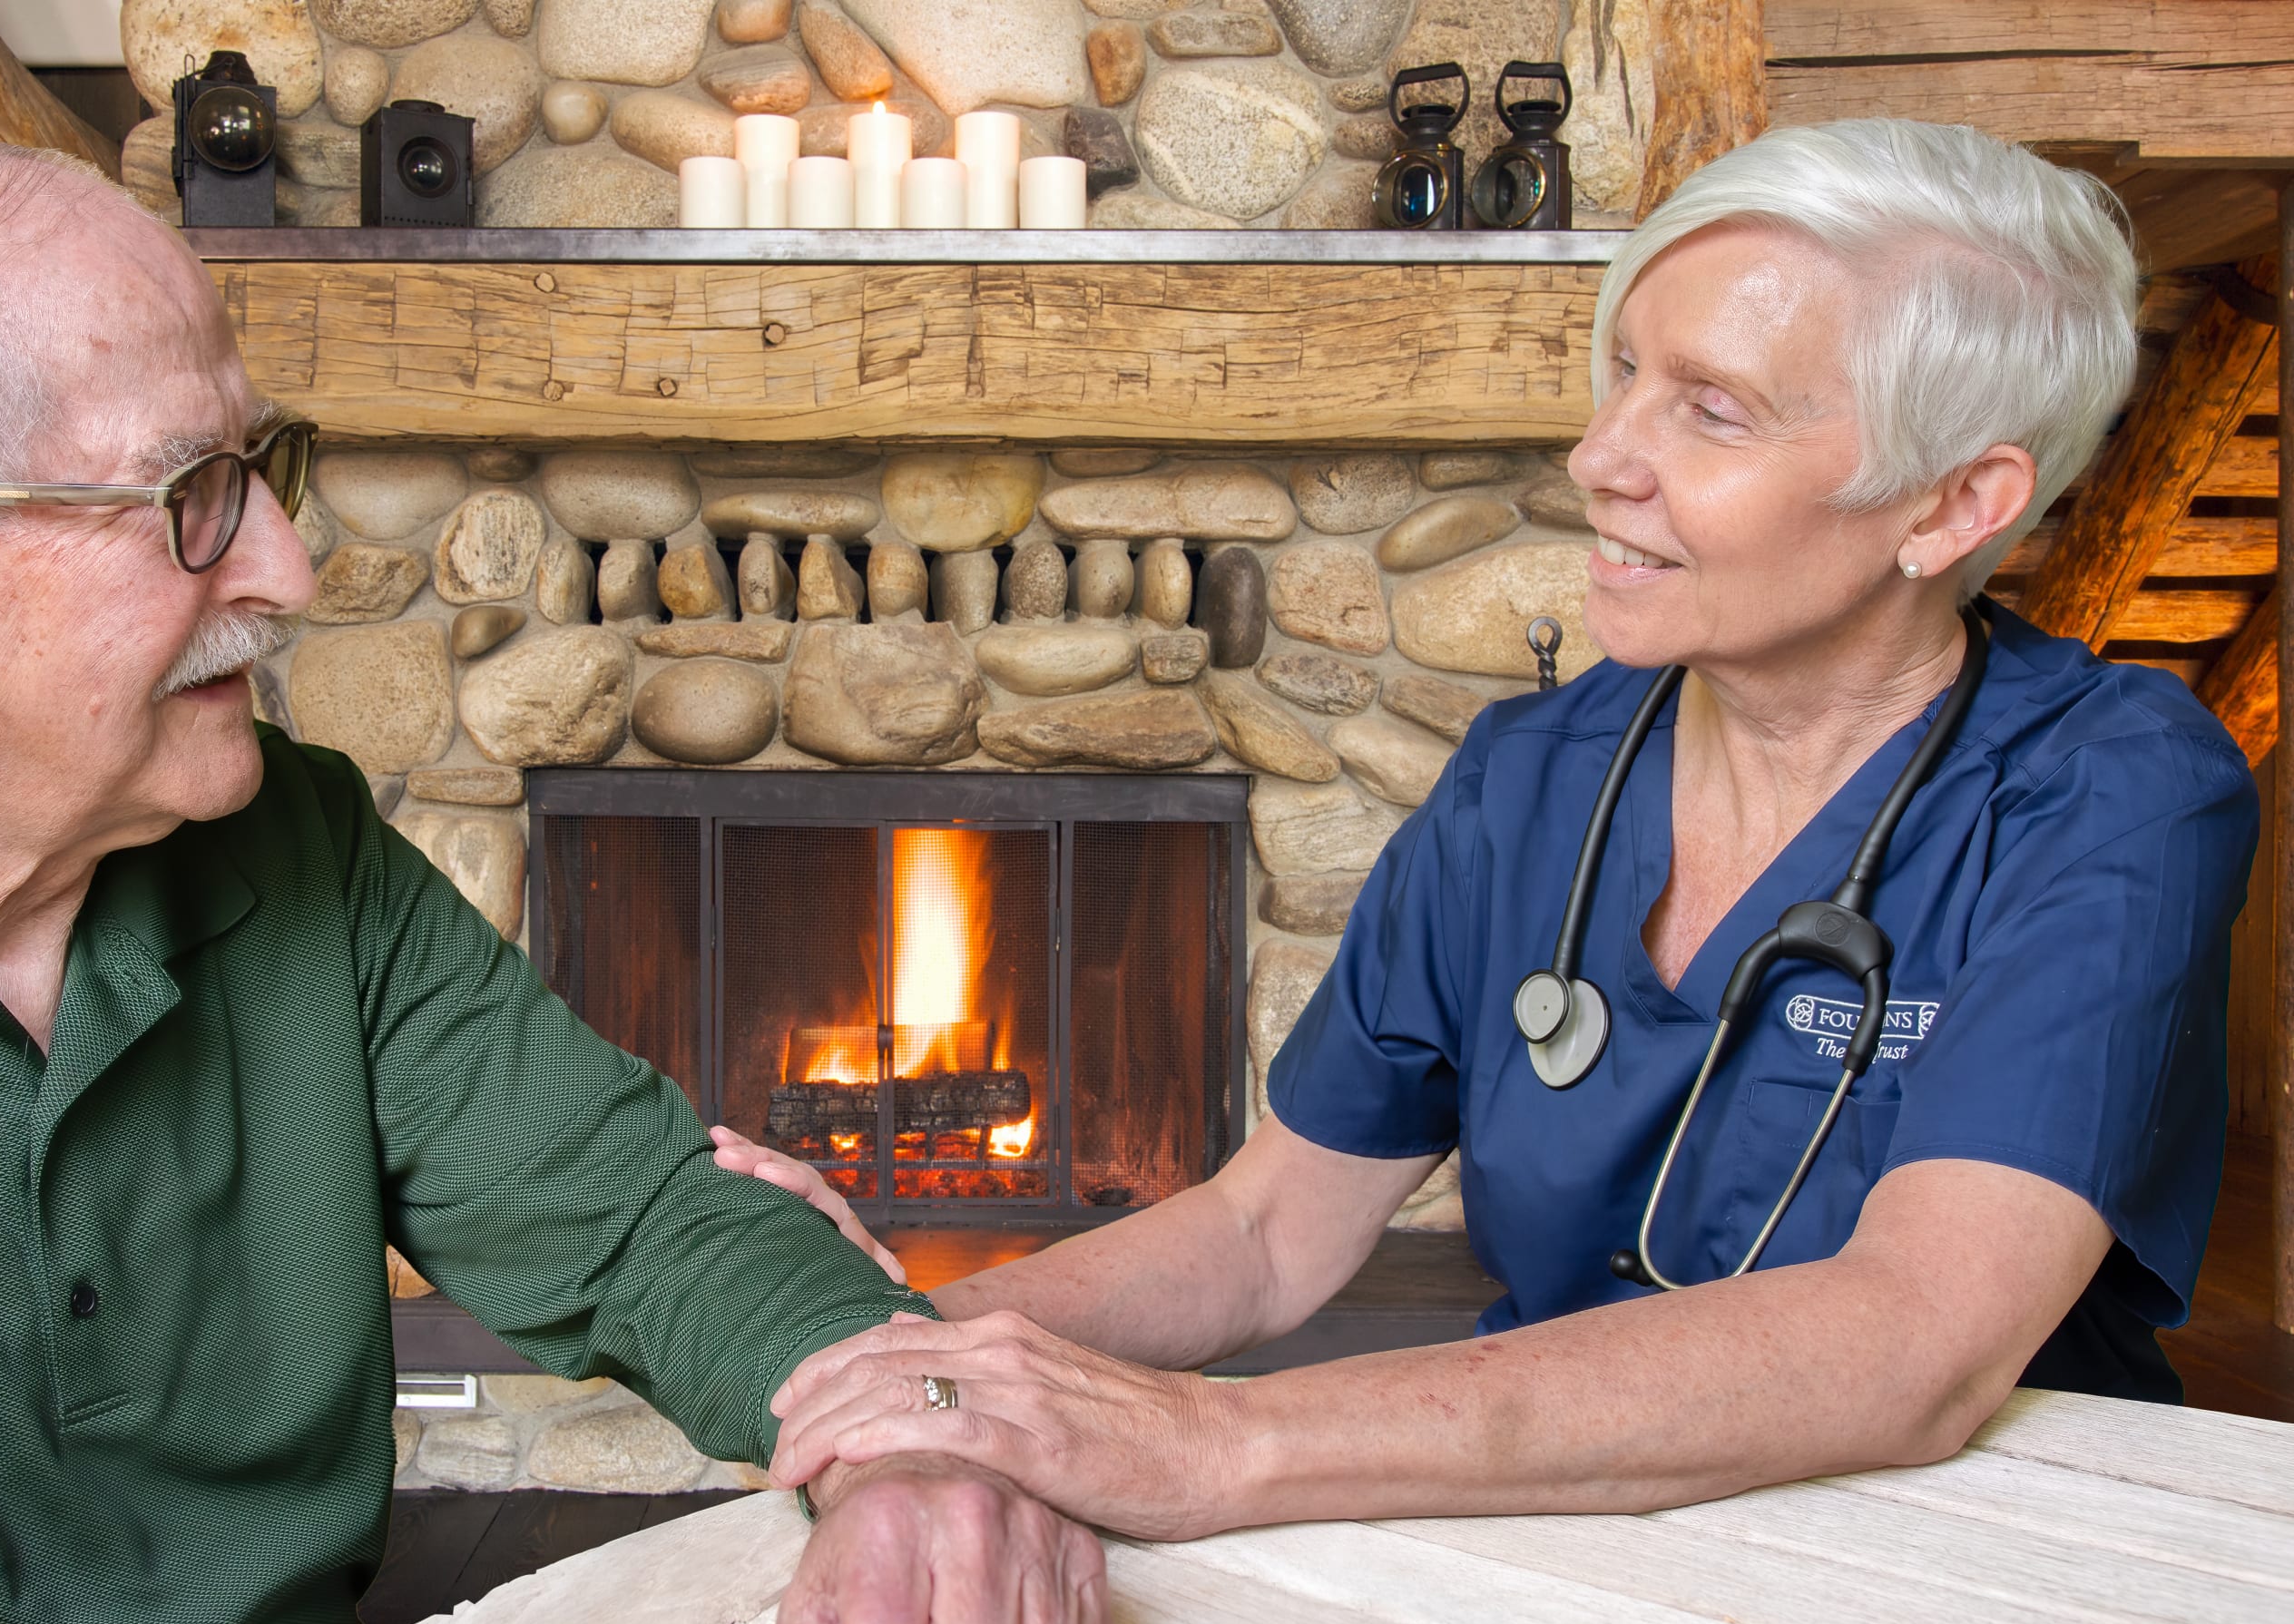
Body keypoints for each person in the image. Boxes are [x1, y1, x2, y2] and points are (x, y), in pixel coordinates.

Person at [0, 135, 1109, 1624]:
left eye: (264, 466)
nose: (287, 574)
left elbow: (651, 1214)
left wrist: (903, 1436)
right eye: (187, 502)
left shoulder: (290, 848)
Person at [724, 119, 2259, 1542]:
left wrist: (1215, 1445)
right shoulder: (1532, 775)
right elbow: (1267, 1233)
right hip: (1573, 1521)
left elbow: (1913, 1343)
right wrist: (917, 1358)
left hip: (1975, 1558)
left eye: (1709, 411)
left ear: (1949, 508)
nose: (1599, 458)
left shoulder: (2115, 791)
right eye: (1625, 377)